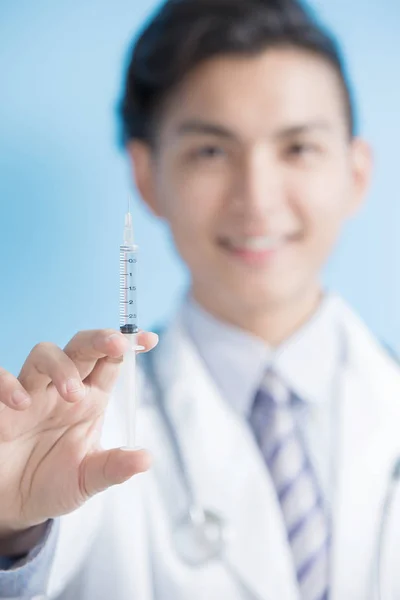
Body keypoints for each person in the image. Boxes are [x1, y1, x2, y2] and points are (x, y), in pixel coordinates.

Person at [1, 0, 399, 598]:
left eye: (297, 148)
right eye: (211, 151)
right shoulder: (83, 436)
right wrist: (12, 531)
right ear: (147, 176)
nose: (257, 200)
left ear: (356, 172)